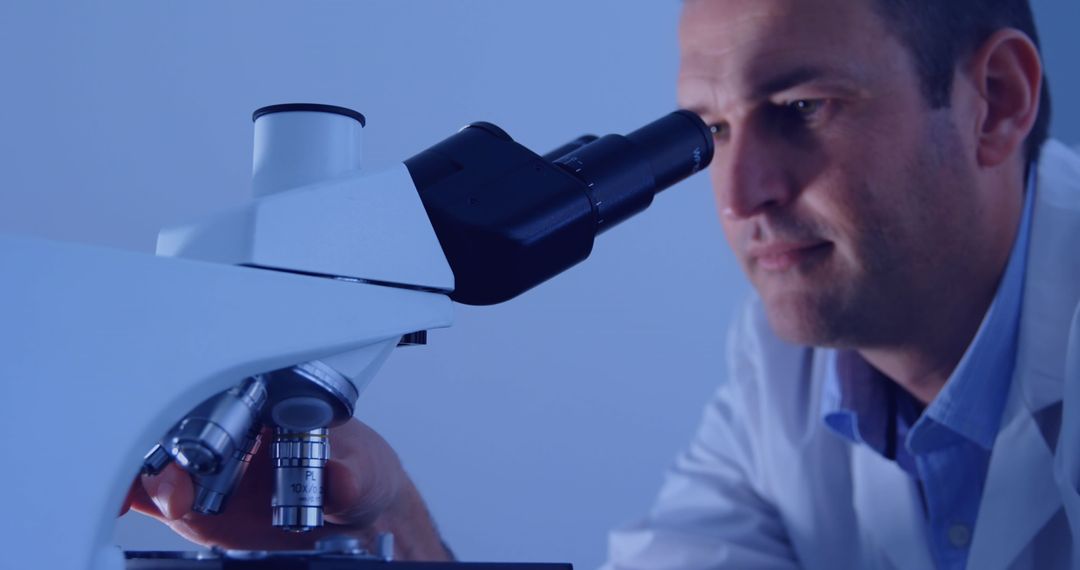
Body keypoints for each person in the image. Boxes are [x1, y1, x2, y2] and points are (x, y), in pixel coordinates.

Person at [126, 0, 1080, 568]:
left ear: (995, 102)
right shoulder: (783, 369)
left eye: (801, 109)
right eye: (708, 133)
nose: (739, 194)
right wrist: (389, 525)